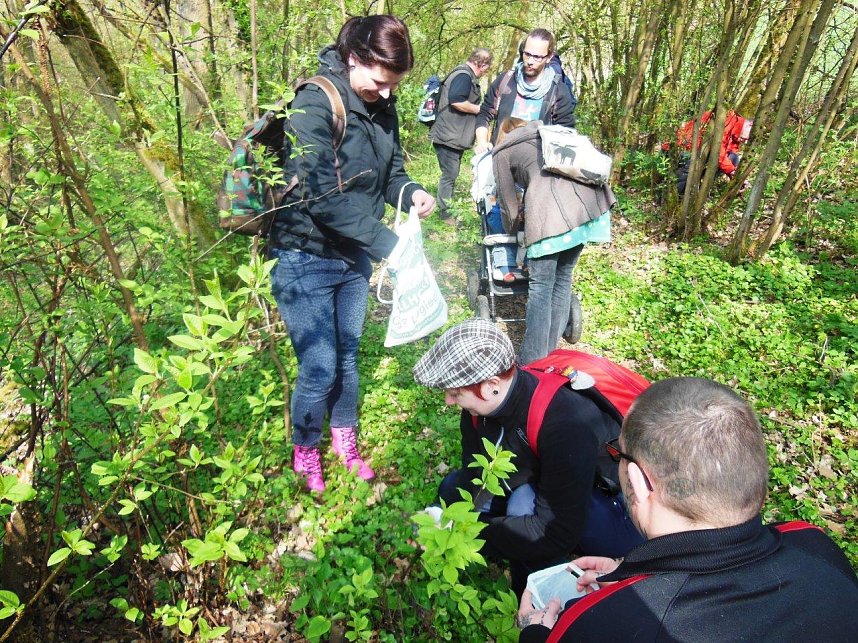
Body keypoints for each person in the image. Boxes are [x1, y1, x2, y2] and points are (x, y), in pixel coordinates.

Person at [517, 377, 858, 641]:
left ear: (638, 481)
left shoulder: (597, 626)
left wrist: (536, 635)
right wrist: (634, 575)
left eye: (617, 453)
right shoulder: (815, 544)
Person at [268, 15, 435, 493]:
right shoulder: (313, 102)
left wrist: (411, 192)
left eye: (394, 84)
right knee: (319, 365)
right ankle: (306, 449)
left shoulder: (383, 106)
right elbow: (319, 196)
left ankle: (345, 440)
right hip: (304, 256)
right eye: (380, 81)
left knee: (346, 357)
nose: (386, 93)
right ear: (354, 58)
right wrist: (389, 245)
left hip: (354, 256)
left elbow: (391, 174)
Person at [413, 320, 643, 597]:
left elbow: (554, 533)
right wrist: (449, 518)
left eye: (454, 393)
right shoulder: (477, 412)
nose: (448, 401)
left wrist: (462, 532)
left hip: (611, 506)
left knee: (523, 508)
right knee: (452, 489)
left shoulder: (564, 424)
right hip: (549, 475)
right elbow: (475, 475)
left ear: (490, 385)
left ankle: (536, 601)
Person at [492, 118, 615, 363]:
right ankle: (550, 353)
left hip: (551, 216)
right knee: (563, 279)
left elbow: (507, 203)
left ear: (502, 134)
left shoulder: (502, 151)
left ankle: (532, 360)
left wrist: (515, 233)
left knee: (541, 287)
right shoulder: (549, 134)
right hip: (588, 211)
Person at [474, 28, 577, 154]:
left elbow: (565, 131)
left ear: (549, 57)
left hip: (535, 161)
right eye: (527, 54)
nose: (530, 61)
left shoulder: (558, 91)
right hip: (499, 156)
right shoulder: (505, 80)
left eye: (537, 57)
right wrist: (482, 142)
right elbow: (485, 113)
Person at [429, 48, 493, 221]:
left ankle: (446, 210)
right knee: (449, 175)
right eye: (486, 68)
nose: (485, 72)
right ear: (482, 64)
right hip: (447, 136)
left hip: (452, 135)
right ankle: (445, 214)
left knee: (451, 174)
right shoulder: (464, 76)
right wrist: (480, 109)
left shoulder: (463, 74)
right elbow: (456, 100)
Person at [666, 109, 753, 194]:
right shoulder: (726, 120)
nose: (745, 142)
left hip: (699, 152)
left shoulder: (735, 132)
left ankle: (698, 188)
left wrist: (736, 176)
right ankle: (673, 194)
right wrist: (731, 171)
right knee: (691, 167)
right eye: (748, 138)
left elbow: (730, 154)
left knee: (734, 158)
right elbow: (718, 151)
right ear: (749, 125)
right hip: (683, 148)